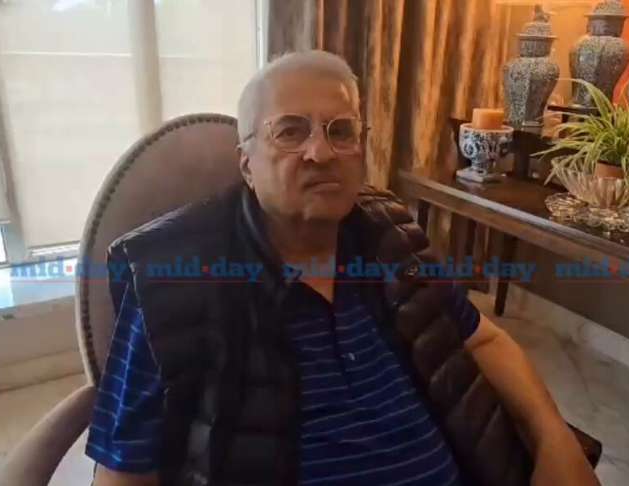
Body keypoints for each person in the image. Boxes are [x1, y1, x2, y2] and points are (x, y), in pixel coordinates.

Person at [85, 50, 599, 486]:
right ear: (246, 164)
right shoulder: (172, 278)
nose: (321, 152)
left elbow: (483, 339)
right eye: (290, 131)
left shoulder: (392, 236)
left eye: (342, 131)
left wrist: (553, 438)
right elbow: (124, 472)